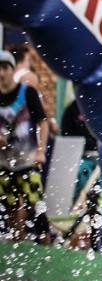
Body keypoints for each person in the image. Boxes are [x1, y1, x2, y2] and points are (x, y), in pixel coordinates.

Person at [0, 48, 50, 242]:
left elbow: (42, 122)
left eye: (5, 68)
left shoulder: (27, 92)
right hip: (4, 164)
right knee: (10, 208)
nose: (2, 73)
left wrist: (41, 151)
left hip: (28, 161)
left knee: (36, 207)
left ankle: (48, 248)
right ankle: (16, 244)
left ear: (12, 69)